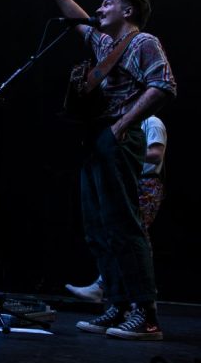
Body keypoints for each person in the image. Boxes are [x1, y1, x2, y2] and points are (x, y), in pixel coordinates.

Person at [29, 0, 176, 340]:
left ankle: (146, 315)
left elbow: (163, 85)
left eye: (108, 3)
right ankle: (118, 305)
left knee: (124, 224)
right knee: (98, 226)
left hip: (117, 136)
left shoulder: (144, 42)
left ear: (128, 11)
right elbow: (78, 18)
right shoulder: (103, 44)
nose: (101, 7)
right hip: (94, 137)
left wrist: (122, 124)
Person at [65, 114, 167, 302]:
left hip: (146, 184)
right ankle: (112, 288)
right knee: (117, 233)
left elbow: (156, 154)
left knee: (135, 234)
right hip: (132, 180)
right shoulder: (129, 122)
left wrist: (125, 152)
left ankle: (135, 294)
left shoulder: (152, 123)